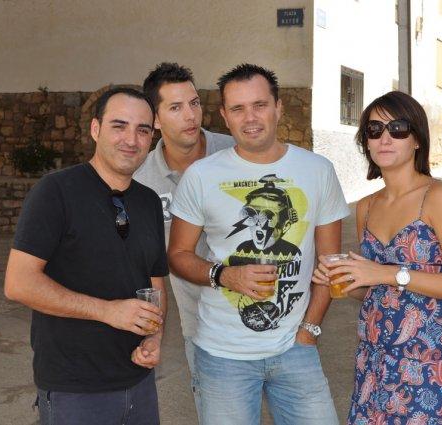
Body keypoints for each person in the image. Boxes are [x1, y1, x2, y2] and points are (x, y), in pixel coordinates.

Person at [167, 63, 348, 425]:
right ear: (224, 116)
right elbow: (178, 255)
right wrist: (225, 276)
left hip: (296, 349)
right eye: (238, 108)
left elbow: (330, 264)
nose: (250, 118)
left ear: (278, 108)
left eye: (259, 105)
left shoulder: (318, 170)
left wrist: (309, 331)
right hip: (222, 354)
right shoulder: (201, 176)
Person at [3, 87, 168, 425]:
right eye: (119, 126)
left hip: (139, 382)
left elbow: (155, 281)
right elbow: (18, 283)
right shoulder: (55, 191)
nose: (131, 140)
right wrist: (107, 311)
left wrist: (154, 335)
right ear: (95, 129)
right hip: (75, 390)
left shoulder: (149, 201)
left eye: (143, 130)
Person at [312, 91, 442, 424]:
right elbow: (375, 290)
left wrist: (386, 273)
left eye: (397, 128)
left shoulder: (438, 197)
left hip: (426, 363)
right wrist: (347, 279)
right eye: (374, 130)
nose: (385, 138)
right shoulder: (366, 206)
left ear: (417, 139)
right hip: (375, 361)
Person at [134, 62, 234, 418]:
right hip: (201, 324)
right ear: (155, 120)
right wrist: (152, 329)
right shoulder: (142, 180)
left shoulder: (236, 152)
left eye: (194, 103)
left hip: (264, 312)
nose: (190, 115)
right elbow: (145, 264)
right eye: (175, 107)